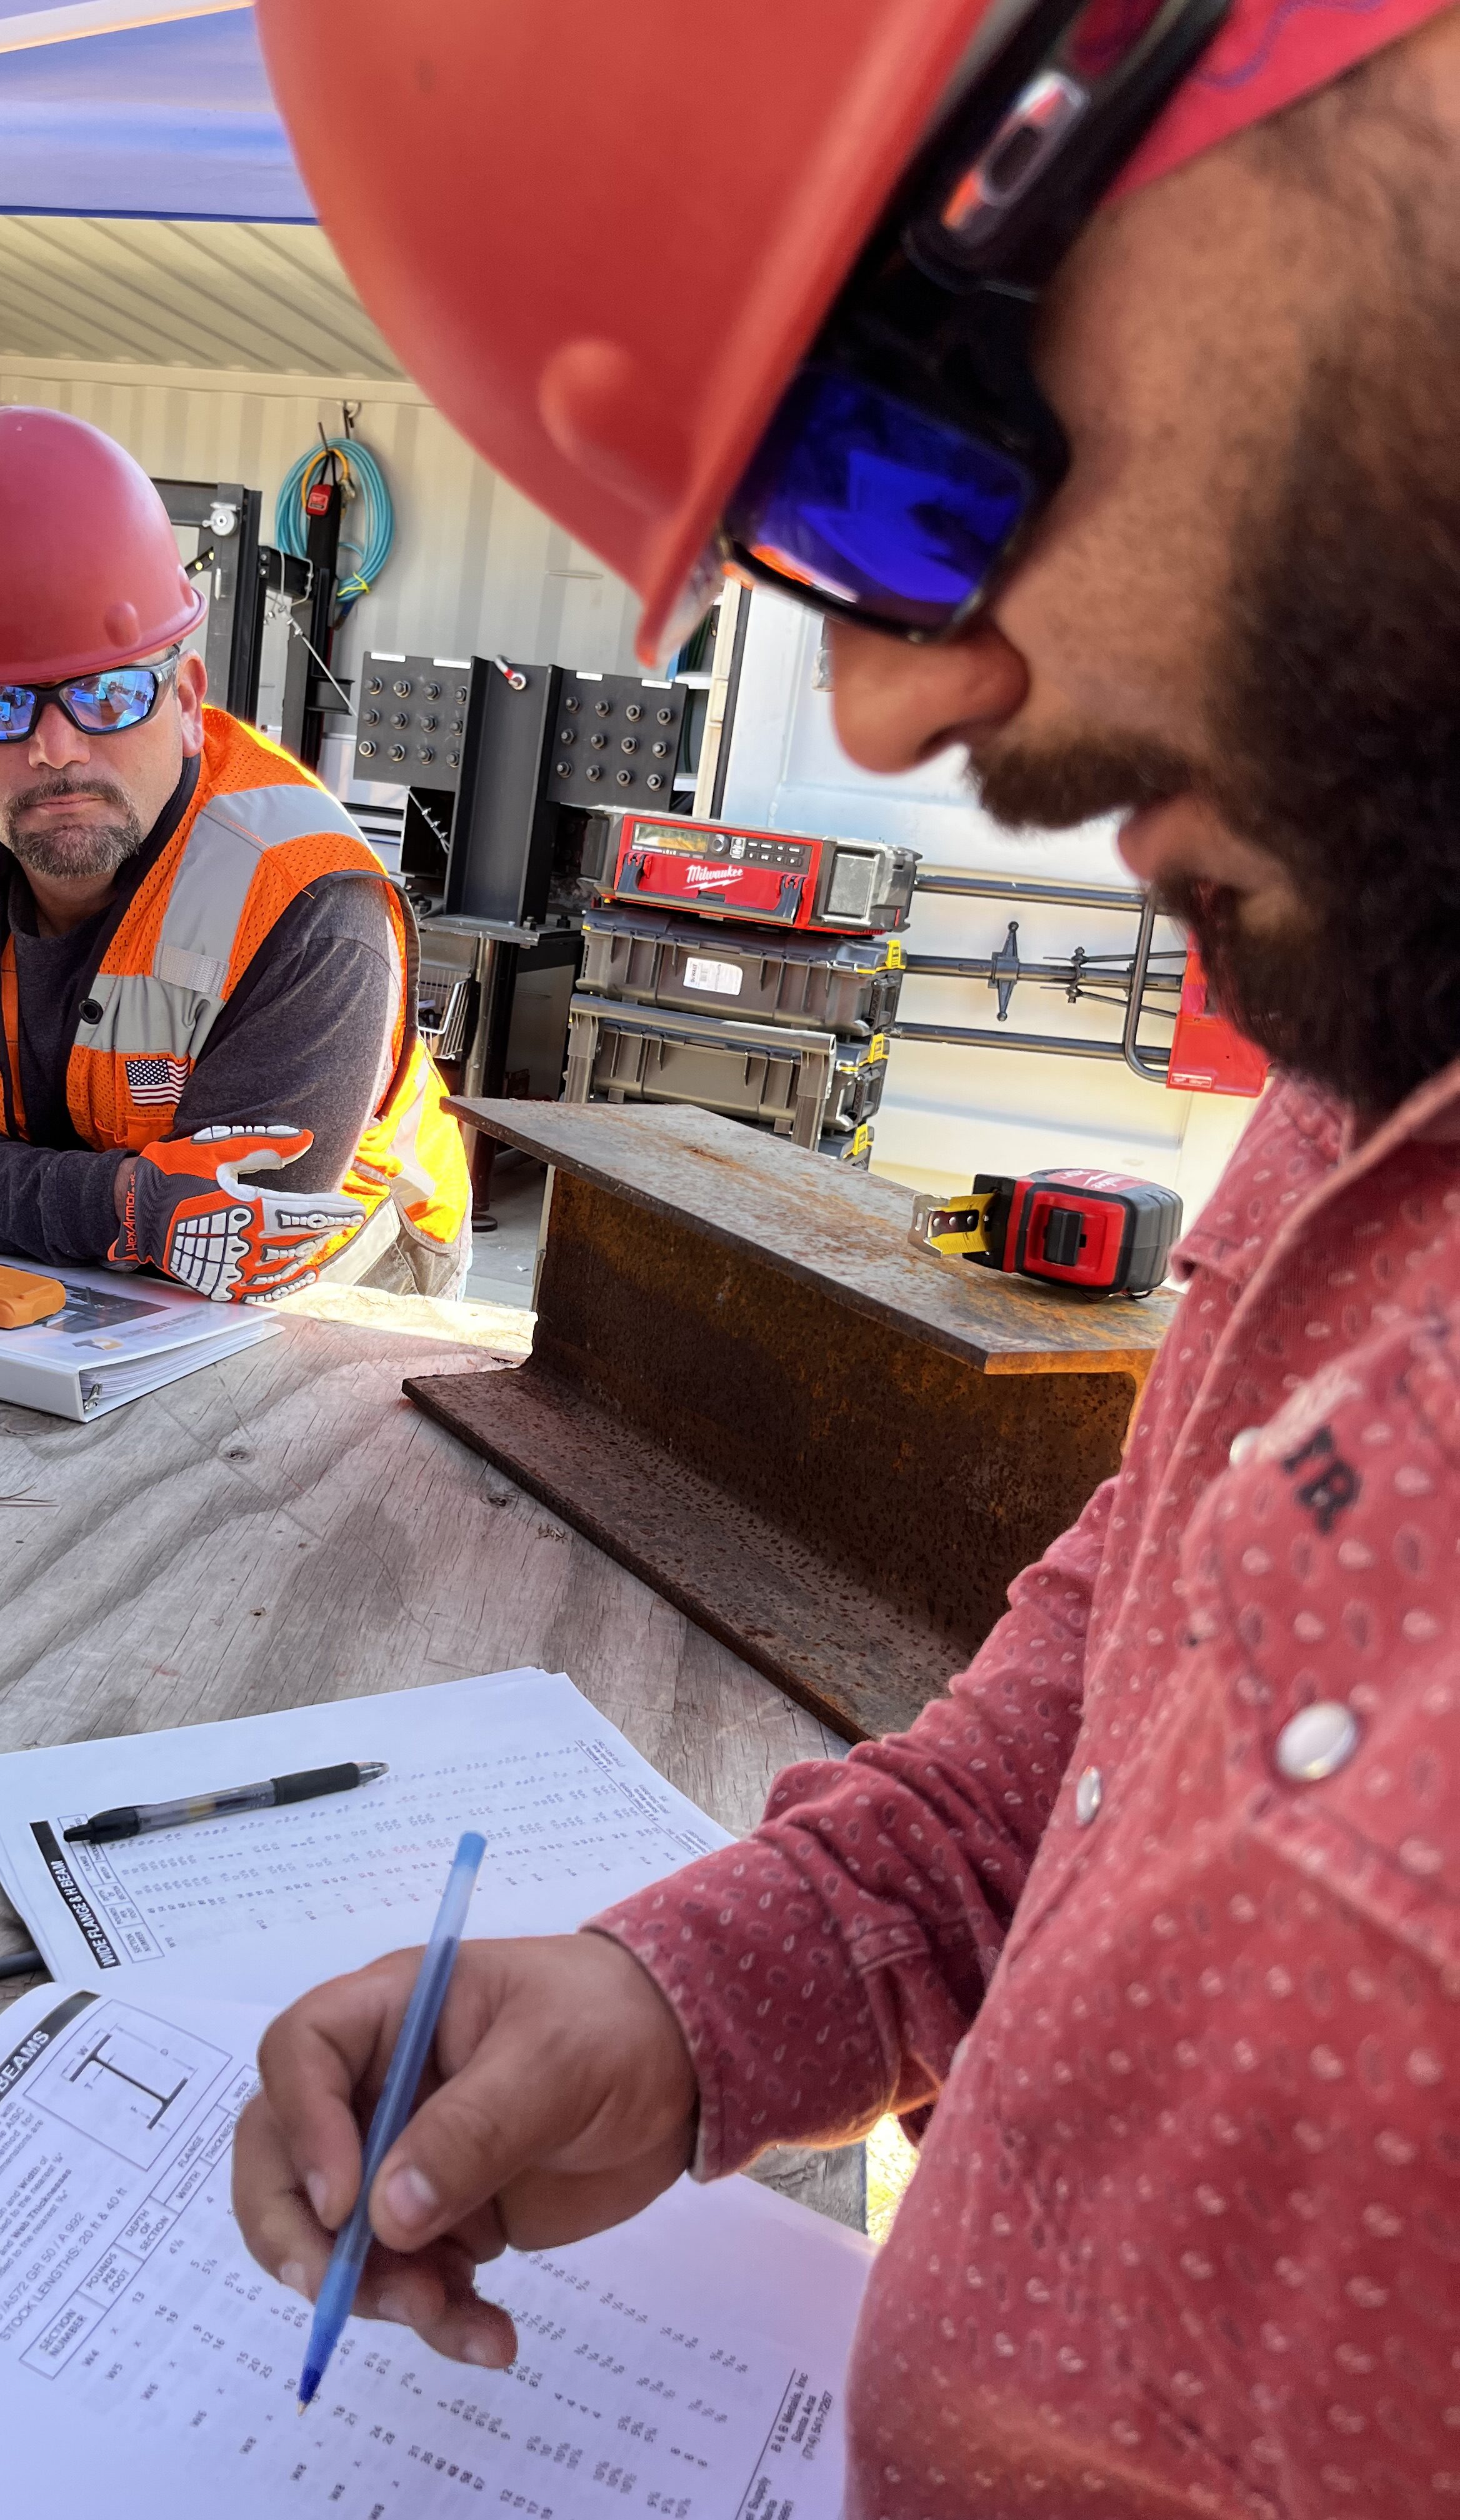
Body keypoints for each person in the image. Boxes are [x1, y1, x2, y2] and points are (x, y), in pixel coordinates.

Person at [233, 0, 1460, 2508]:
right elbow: (1167, 1676)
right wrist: (702, 2002)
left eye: (897, 450)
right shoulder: (1392, 985)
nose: (886, 706)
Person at [0, 406, 469, 1301]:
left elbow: (229, 1230)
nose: (58, 748)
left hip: (340, 1270)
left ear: (188, 703)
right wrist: (124, 1203)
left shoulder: (307, 902)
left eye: (110, 695)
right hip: (51, 1255)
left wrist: (87, 1204)